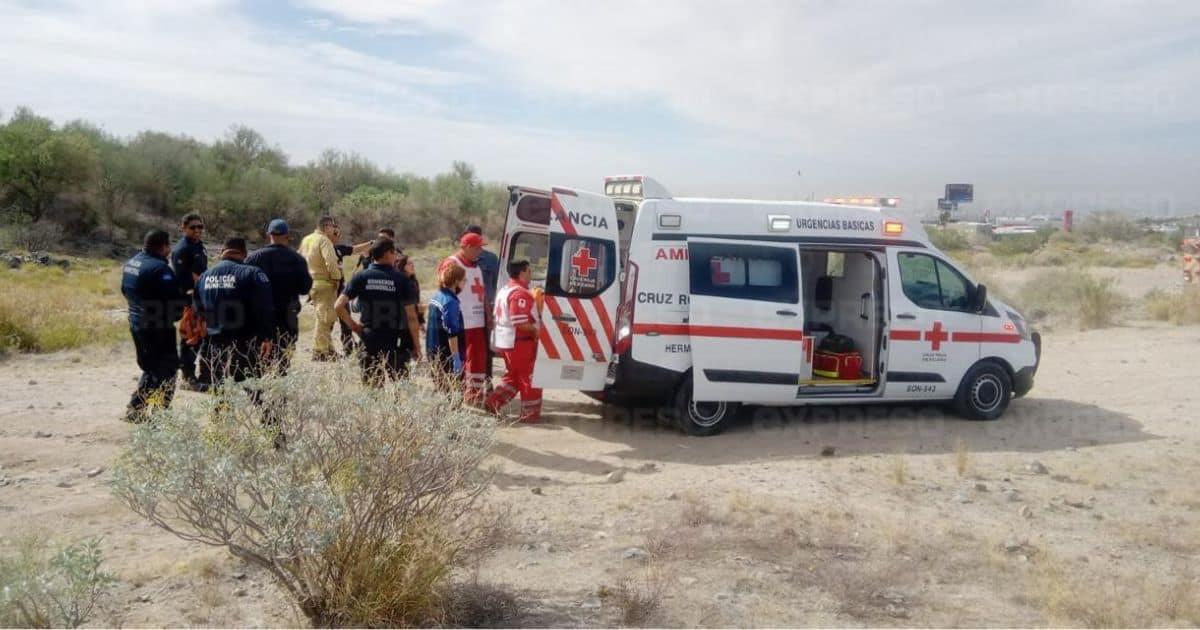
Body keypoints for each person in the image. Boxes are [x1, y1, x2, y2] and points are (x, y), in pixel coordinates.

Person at [335, 239, 421, 386]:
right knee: (399, 388)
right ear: (387, 254)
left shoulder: (361, 277)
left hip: (369, 339)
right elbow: (412, 317)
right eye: (394, 252)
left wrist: (355, 327)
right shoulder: (401, 280)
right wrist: (417, 345)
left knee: (372, 389)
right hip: (396, 341)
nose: (395, 256)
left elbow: (338, 306)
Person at [121, 229, 186, 422]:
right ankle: (161, 415)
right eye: (168, 246)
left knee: (151, 368)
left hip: (136, 321)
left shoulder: (132, 263)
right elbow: (174, 303)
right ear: (164, 246)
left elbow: (124, 290)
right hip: (157, 326)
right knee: (168, 370)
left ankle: (136, 409)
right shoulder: (160, 269)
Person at [196, 238, 275, 387]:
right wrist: (267, 337)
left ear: (221, 252)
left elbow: (199, 312)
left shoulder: (204, 276)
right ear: (245, 253)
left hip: (214, 345)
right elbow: (264, 308)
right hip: (245, 344)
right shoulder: (253, 273)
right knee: (253, 389)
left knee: (221, 392)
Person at [246, 219, 313, 373]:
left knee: (258, 357)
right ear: (287, 236)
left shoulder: (254, 258)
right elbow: (305, 289)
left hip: (260, 315)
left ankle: (259, 391)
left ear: (268, 234)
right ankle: (279, 391)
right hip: (287, 314)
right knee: (282, 358)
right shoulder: (297, 260)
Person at [486, 260, 543, 423]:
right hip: (519, 342)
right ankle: (530, 415)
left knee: (514, 377)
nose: (531, 275)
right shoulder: (520, 293)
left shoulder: (506, 289)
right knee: (529, 378)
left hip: (507, 340)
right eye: (529, 271)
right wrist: (536, 331)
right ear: (522, 272)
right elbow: (520, 322)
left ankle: (493, 402)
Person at [437, 233, 488, 405]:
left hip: (478, 321)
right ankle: (458, 393)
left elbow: (482, 293)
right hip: (461, 321)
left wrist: (488, 314)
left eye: (481, 247)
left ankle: (475, 394)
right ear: (466, 247)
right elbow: (443, 290)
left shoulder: (477, 267)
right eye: (476, 247)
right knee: (460, 358)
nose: (480, 251)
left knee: (478, 359)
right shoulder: (452, 263)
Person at [171, 213, 209, 391]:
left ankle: (201, 374)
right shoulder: (182, 249)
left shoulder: (198, 245)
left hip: (201, 296)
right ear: (183, 228)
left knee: (200, 335)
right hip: (189, 299)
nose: (197, 230)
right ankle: (187, 377)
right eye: (193, 227)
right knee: (190, 337)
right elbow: (183, 278)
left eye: (200, 227)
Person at [297, 216, 342, 361]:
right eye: (332, 226)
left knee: (324, 317)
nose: (334, 229)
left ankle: (329, 348)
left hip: (311, 282)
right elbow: (330, 261)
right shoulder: (324, 240)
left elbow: (299, 259)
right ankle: (320, 351)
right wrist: (337, 278)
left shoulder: (306, 239)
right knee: (324, 318)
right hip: (325, 283)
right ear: (326, 226)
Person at [465, 224, 500, 388]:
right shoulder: (460, 260)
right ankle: (481, 383)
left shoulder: (492, 259)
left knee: (483, 349)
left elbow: (497, 283)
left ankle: (485, 382)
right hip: (473, 309)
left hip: (483, 309)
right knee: (477, 348)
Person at [331, 227, 374, 356]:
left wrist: (371, 243)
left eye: (339, 233)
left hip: (340, 288)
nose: (338, 236)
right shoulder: (322, 248)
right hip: (328, 288)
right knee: (327, 320)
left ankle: (348, 347)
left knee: (345, 318)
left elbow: (355, 249)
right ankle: (324, 349)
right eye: (336, 233)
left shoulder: (339, 249)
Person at [426, 264, 466, 390]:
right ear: (456, 282)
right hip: (446, 354)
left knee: (442, 390)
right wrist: (456, 358)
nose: (465, 282)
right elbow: (452, 332)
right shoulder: (450, 302)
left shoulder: (437, 297)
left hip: (433, 351)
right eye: (464, 279)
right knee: (453, 393)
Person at [394, 253, 423, 376]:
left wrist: (421, 320)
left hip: (412, 320)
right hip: (402, 322)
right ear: (402, 266)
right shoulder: (400, 283)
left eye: (413, 264)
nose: (412, 266)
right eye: (409, 264)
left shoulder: (413, 281)